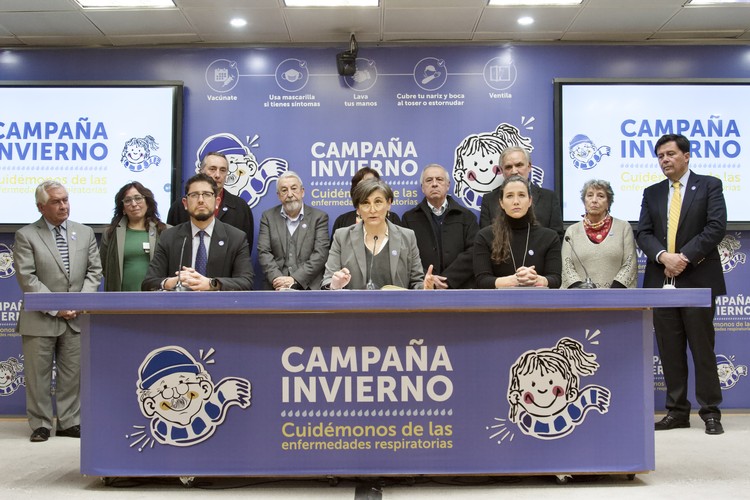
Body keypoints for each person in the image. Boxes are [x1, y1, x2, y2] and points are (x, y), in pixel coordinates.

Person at [636, 133, 727, 435]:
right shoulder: (652, 192)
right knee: (670, 350)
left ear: (686, 156)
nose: (665, 160)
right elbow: (644, 233)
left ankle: (710, 412)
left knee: (702, 348)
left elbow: (716, 227)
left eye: (670, 154)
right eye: (660, 156)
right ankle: (677, 411)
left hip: (698, 278)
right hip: (662, 279)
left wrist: (683, 257)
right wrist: (664, 257)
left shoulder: (710, 185)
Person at [13, 181, 102, 442]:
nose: (63, 206)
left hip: (76, 317)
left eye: (65, 200)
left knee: (72, 374)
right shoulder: (26, 235)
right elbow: (28, 278)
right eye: (56, 202)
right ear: (41, 207)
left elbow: (94, 272)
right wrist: (57, 307)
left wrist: (79, 303)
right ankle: (40, 424)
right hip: (40, 318)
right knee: (37, 376)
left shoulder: (85, 233)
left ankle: (69, 422)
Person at [322, 179, 443, 290]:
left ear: (389, 204)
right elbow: (327, 280)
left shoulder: (407, 237)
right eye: (365, 203)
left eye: (378, 202)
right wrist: (334, 285)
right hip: (354, 306)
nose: (372, 209)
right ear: (358, 209)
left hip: (397, 306)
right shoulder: (342, 237)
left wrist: (425, 287)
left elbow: (416, 282)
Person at [142, 173, 254, 291]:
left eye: (207, 194)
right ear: (185, 203)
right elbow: (149, 283)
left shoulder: (236, 238)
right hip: (179, 302)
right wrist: (171, 282)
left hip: (219, 302)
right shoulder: (169, 237)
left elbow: (246, 282)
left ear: (217, 202)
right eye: (194, 195)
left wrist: (212, 284)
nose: (200, 200)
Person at [474, 175, 561, 289]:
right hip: (499, 300)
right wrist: (513, 281)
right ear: (501, 203)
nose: (516, 201)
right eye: (509, 196)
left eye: (521, 195)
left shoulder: (549, 237)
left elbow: (556, 279)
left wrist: (538, 280)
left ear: (530, 201)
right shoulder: (485, 236)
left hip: (538, 299)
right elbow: (482, 280)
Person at [402, 163, 479, 289]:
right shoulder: (409, 218)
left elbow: (473, 252)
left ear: (448, 185)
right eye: (429, 180)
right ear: (422, 187)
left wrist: (446, 280)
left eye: (439, 179)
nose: (434, 184)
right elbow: (406, 256)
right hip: (424, 289)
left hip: (460, 289)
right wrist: (429, 279)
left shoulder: (467, 217)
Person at [257, 171, 330, 290]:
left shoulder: (319, 217)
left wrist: (295, 279)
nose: (290, 194)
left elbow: (321, 254)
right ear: (278, 195)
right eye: (284, 190)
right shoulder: (268, 217)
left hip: (308, 287)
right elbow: (263, 252)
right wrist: (278, 279)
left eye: (294, 188)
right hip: (275, 288)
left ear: (302, 192)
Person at [167, 152, 254, 248]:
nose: (217, 175)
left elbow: (245, 248)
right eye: (212, 169)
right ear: (201, 171)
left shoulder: (240, 208)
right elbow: (171, 244)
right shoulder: (180, 206)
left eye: (222, 170)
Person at [561, 179, 637, 289]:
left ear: (608, 203)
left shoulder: (623, 227)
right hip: (579, 295)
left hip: (617, 296)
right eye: (590, 195)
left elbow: (630, 263)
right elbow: (567, 265)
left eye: (600, 196)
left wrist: (613, 292)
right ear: (584, 202)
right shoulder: (572, 231)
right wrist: (580, 289)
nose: (594, 200)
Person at [479, 146, 564, 239]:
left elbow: (557, 237)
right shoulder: (489, 200)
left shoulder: (549, 198)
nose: (514, 171)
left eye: (519, 165)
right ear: (502, 171)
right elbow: (485, 238)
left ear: (529, 167)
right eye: (508, 167)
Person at [100, 182, 168, 291]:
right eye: (127, 200)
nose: (134, 204)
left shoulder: (165, 231)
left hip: (157, 296)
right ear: (123, 208)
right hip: (121, 297)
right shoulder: (110, 233)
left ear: (147, 202)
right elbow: (104, 267)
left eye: (138, 198)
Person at [330, 166, 401, 237]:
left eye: (371, 182)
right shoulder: (342, 221)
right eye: (362, 185)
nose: (372, 210)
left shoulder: (394, 219)